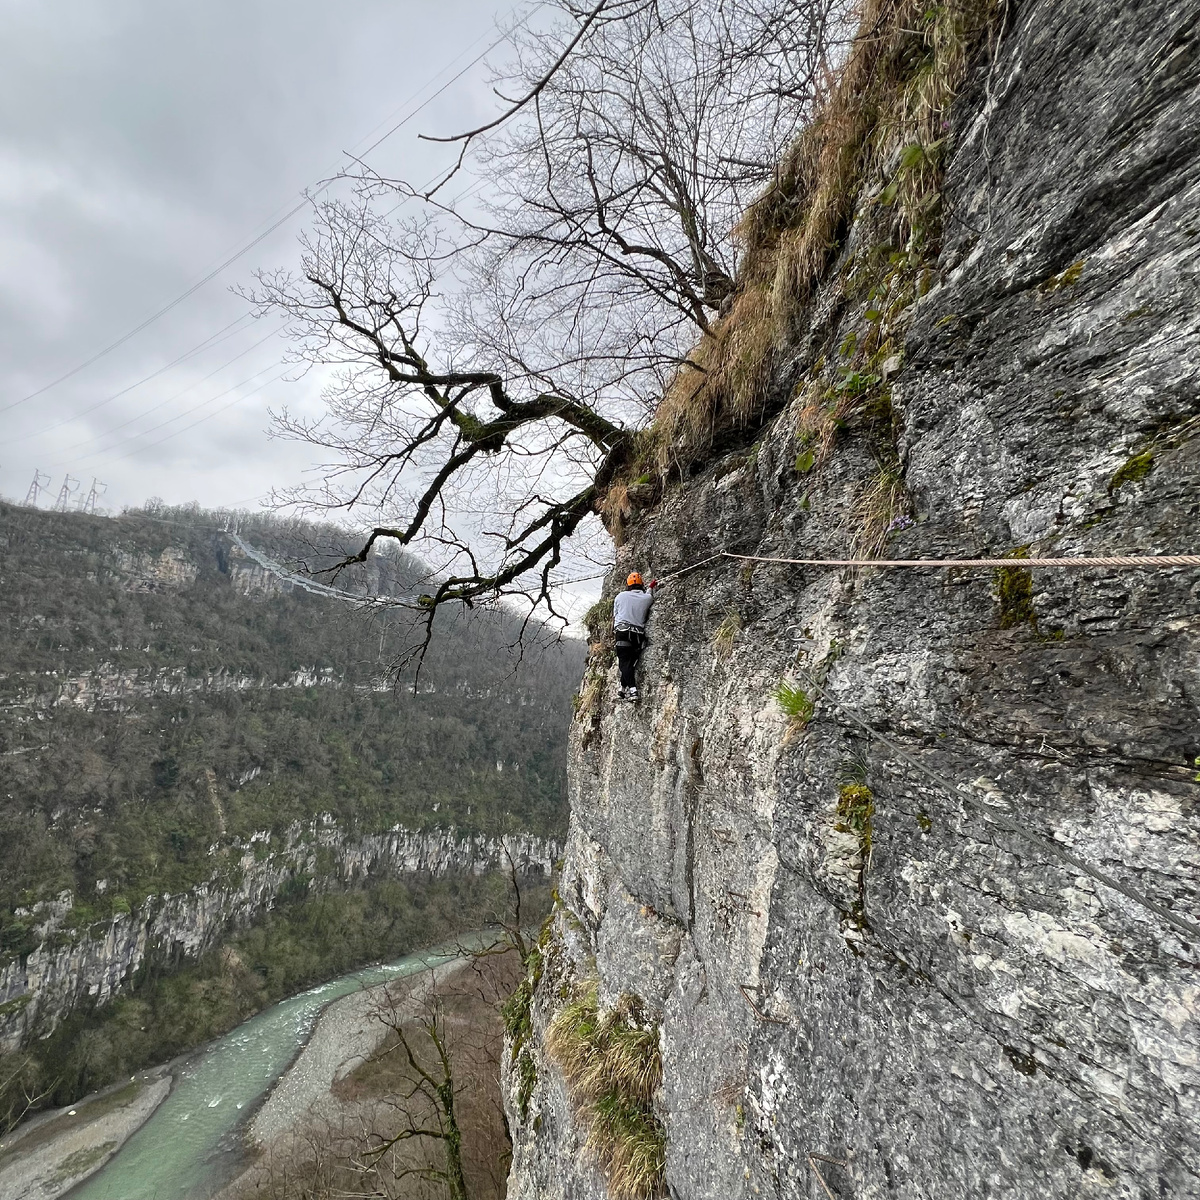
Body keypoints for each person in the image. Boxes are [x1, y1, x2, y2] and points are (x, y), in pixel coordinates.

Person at [612, 572, 657, 702]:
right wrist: (651, 586)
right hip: (637, 635)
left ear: (628, 585)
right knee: (629, 663)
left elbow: (615, 615)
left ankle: (633, 690)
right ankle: (622, 689)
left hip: (623, 632)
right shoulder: (647, 598)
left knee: (624, 663)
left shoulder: (620, 596)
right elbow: (649, 593)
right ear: (641, 584)